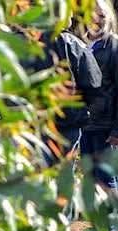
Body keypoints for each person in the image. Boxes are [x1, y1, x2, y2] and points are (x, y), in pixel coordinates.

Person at [19, 27, 102, 165]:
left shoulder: (14, 41)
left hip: (27, 125)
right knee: (63, 176)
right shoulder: (69, 42)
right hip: (67, 124)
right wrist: (82, 111)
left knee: (32, 176)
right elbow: (93, 82)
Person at [80, 0, 118, 191]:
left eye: (102, 15)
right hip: (85, 124)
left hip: (106, 127)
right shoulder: (81, 44)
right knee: (91, 178)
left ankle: (112, 219)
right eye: (93, 15)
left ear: (109, 18)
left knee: (107, 178)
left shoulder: (117, 47)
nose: (97, 19)